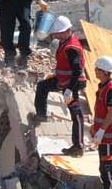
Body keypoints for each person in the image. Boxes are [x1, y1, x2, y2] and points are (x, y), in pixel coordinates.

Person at [32, 16, 87, 155]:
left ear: (68, 30)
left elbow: (77, 71)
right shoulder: (65, 42)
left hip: (72, 83)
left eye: (60, 32)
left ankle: (78, 146)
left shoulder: (71, 48)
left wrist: (69, 90)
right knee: (42, 86)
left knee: (76, 114)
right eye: (57, 33)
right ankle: (41, 116)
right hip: (64, 81)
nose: (57, 35)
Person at [88, 56, 112, 189]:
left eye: (97, 69)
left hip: (108, 135)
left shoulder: (110, 90)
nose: (95, 71)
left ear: (104, 72)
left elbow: (111, 113)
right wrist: (95, 127)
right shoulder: (103, 86)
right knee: (110, 164)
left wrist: (101, 131)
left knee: (106, 166)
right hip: (106, 133)